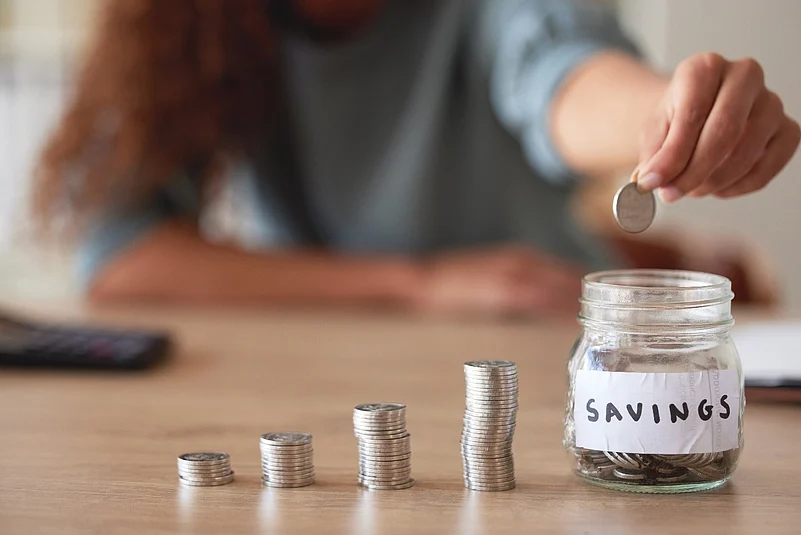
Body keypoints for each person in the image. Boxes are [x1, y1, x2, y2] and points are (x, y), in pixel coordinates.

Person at [33, 0, 799, 316]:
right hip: (319, 353)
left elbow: (562, 75)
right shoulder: (191, 27)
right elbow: (118, 254)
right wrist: (419, 282)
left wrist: (666, 115)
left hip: (534, 327)